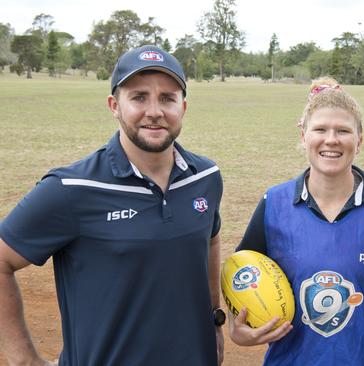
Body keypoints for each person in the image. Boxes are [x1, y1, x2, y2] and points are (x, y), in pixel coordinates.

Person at [0, 45, 225, 365]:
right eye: (139, 96)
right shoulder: (72, 189)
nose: (154, 111)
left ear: (183, 107)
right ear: (114, 105)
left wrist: (214, 321)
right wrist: (24, 360)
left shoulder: (205, 177)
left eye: (167, 98)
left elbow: (211, 238)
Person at [230, 77, 364, 365]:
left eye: (343, 131)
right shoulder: (274, 203)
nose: (331, 140)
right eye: (320, 129)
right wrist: (239, 332)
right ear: (303, 135)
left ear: (359, 140)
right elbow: (244, 278)